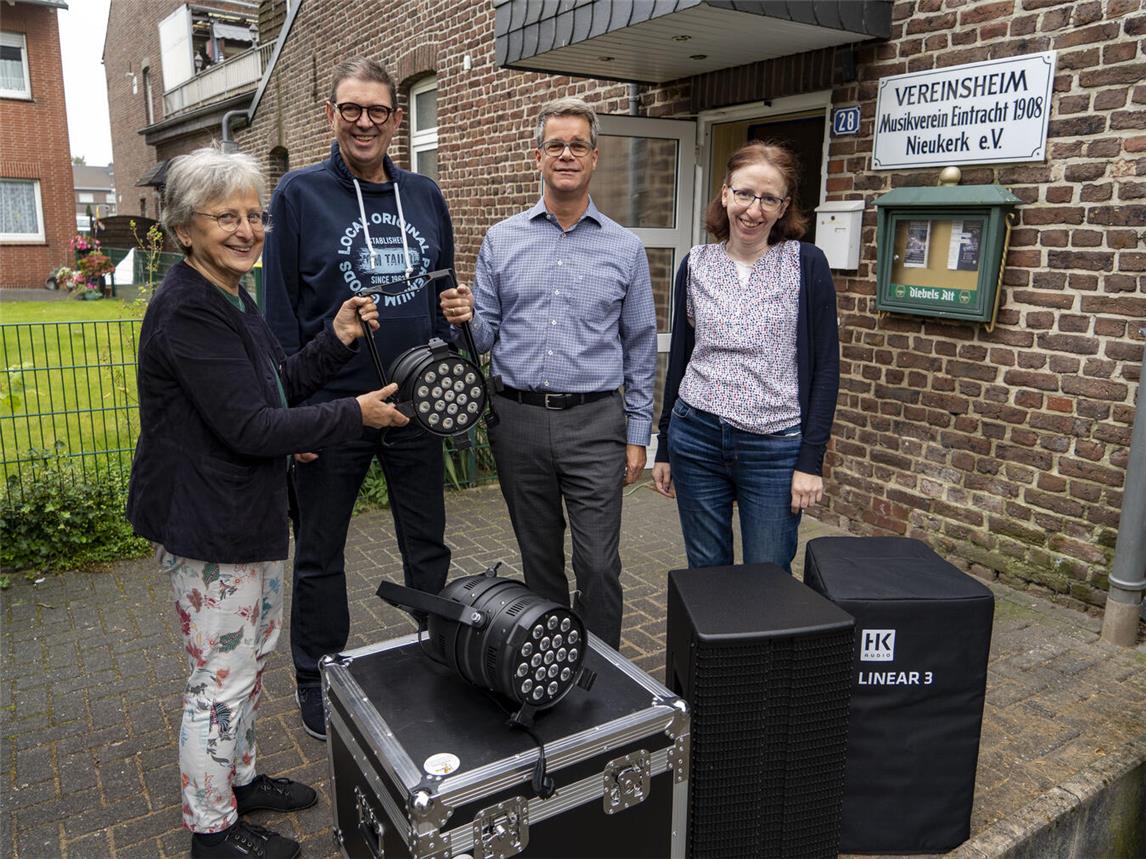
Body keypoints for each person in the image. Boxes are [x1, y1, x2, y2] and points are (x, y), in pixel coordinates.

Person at [126, 146, 408, 858]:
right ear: (186, 228)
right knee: (218, 682)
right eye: (227, 217)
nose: (248, 229)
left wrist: (336, 337)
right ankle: (211, 831)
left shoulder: (228, 292)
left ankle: (240, 779)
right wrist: (351, 416)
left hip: (246, 513)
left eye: (254, 215)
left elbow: (273, 384)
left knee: (249, 659)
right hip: (208, 523)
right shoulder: (186, 311)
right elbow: (251, 424)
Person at [262, 57, 456, 739]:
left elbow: (441, 296)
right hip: (333, 407)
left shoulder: (426, 197)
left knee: (427, 544)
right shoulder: (298, 194)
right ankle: (316, 676)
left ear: (395, 118)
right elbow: (278, 314)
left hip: (413, 403)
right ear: (332, 115)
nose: (365, 121)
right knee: (319, 551)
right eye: (352, 109)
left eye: (378, 110)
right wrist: (290, 413)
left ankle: (444, 651)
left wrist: (450, 349)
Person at [440, 97, 657, 648]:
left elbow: (639, 346)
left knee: (599, 564)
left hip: (595, 425)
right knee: (539, 564)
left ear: (594, 157)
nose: (566, 154)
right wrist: (465, 318)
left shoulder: (625, 248)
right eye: (555, 145)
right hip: (517, 421)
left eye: (577, 145)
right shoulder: (501, 239)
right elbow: (484, 337)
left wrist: (638, 434)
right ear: (537, 156)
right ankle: (552, 662)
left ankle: (605, 669)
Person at [651, 141, 840, 573]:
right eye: (744, 194)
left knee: (768, 574)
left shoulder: (806, 264)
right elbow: (680, 359)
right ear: (725, 194)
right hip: (696, 436)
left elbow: (827, 368)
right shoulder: (696, 264)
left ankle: (762, 646)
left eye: (768, 198)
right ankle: (714, 645)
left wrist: (811, 461)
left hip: (774, 446)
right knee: (707, 570)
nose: (753, 210)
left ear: (783, 206)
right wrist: (665, 446)